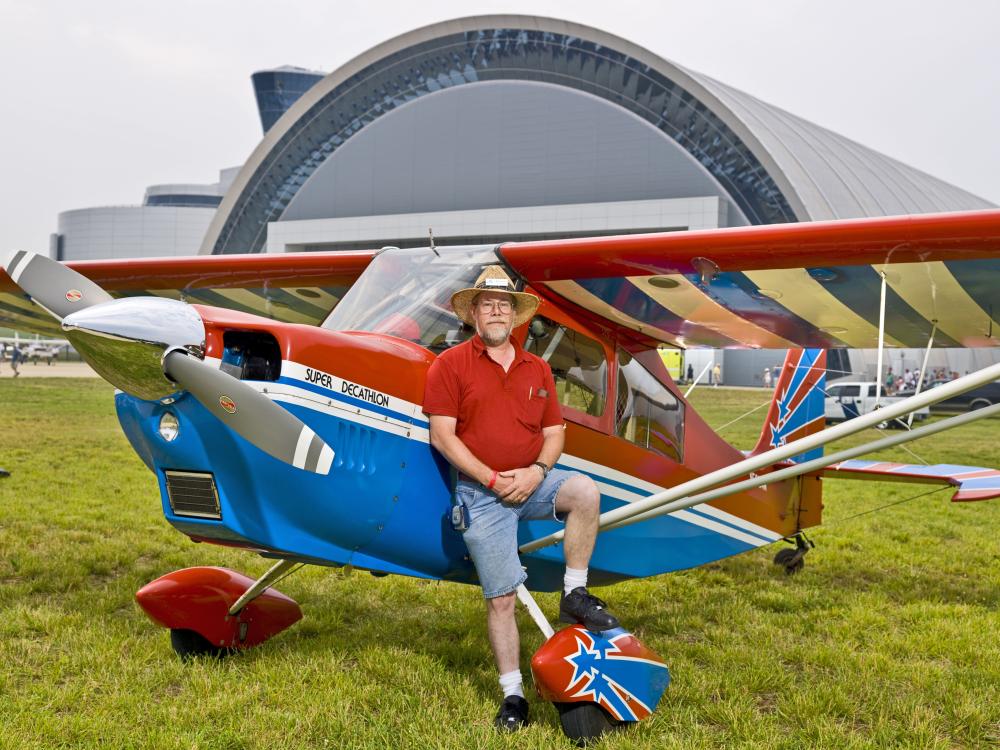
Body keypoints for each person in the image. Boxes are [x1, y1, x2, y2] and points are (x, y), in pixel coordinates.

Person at [423, 266, 619, 732]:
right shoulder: (448, 365)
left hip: (530, 482)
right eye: (487, 304)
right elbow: (443, 437)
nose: (496, 311)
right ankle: (513, 695)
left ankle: (574, 594)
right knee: (502, 600)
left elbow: (555, 434)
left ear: (515, 316)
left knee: (584, 491)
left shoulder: (537, 369)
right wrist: (492, 478)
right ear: (473, 314)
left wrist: (536, 472)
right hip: (481, 493)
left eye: (504, 305)